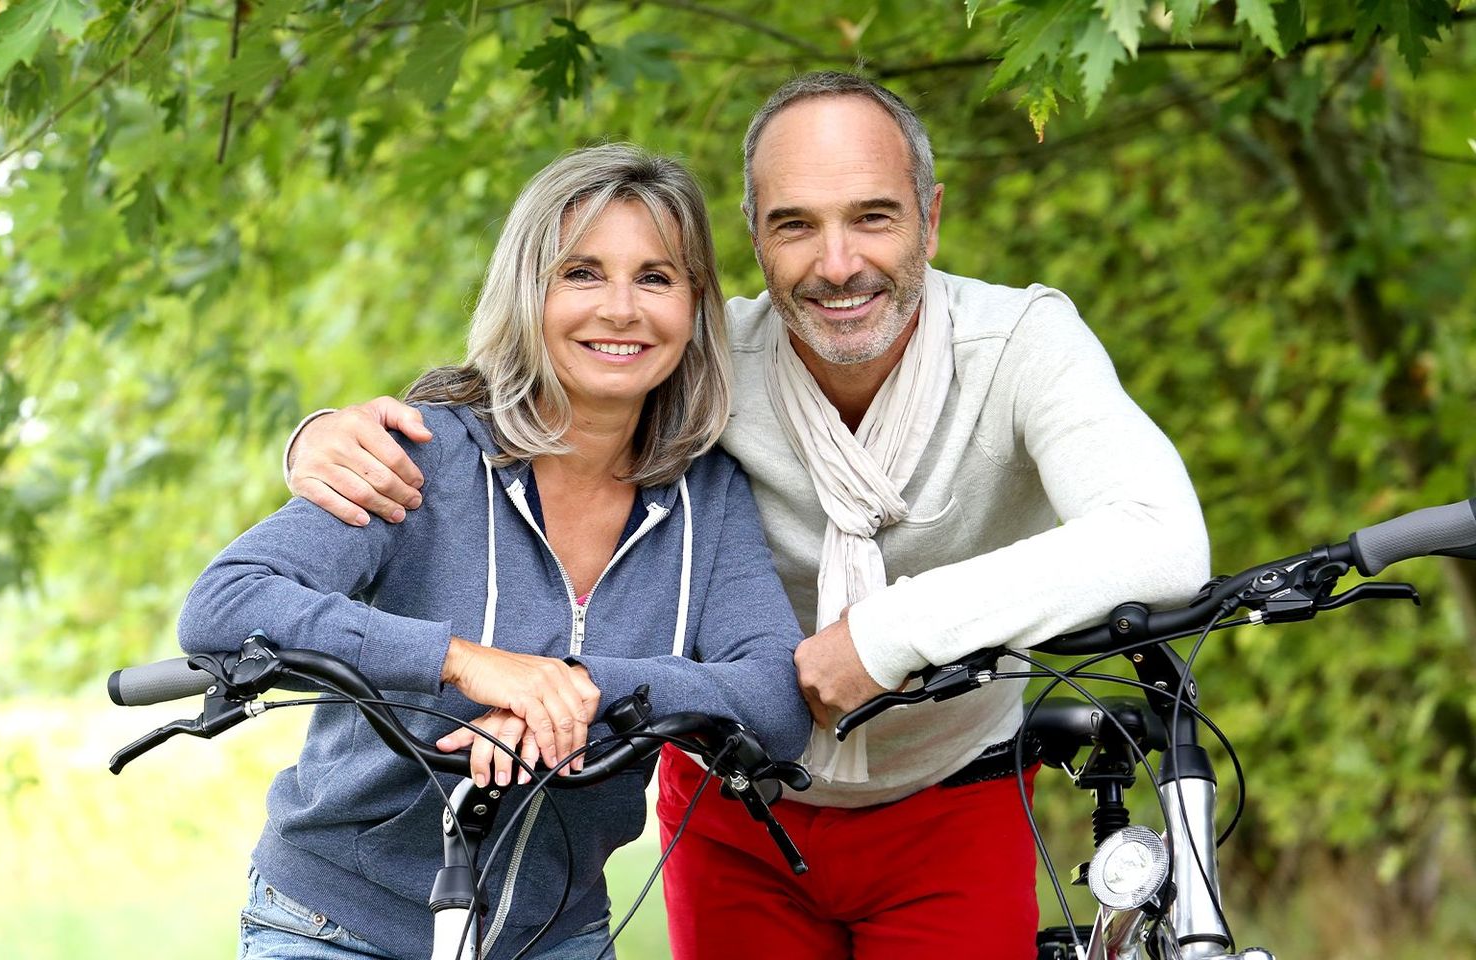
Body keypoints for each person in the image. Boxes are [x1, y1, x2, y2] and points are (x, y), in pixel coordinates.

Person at [282, 73, 1211, 958]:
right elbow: (531, 395)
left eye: (874, 217)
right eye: (795, 225)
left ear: (931, 219)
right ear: (752, 241)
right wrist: (325, 435)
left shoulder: (1020, 345)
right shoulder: (701, 357)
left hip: (951, 791)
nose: (837, 263)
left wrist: (887, 636)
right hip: (736, 804)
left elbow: (1160, 537)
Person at [178, 144, 811, 960]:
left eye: (656, 277)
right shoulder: (426, 452)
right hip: (337, 925)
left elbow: (775, 700)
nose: (620, 308)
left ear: (694, 306)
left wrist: (577, 690)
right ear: (527, 290)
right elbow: (225, 606)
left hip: (556, 933)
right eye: (581, 273)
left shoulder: (708, 493)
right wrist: (466, 663)